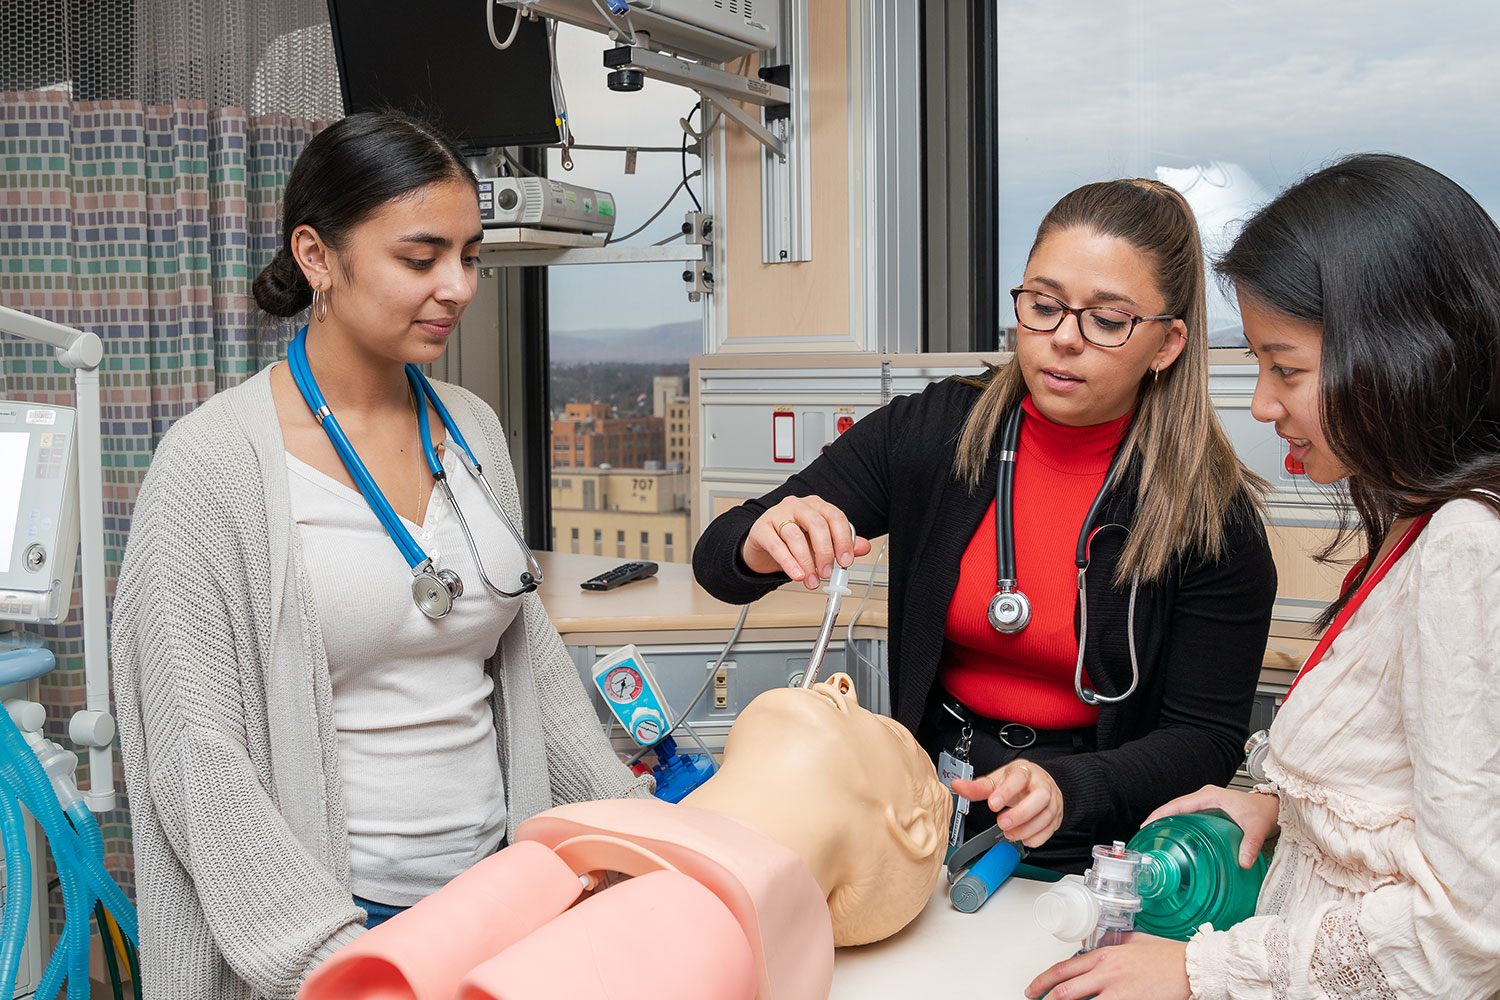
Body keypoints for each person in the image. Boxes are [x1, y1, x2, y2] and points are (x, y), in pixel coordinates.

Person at [110, 112, 649, 1000]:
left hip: (501, 895)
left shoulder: (469, 427)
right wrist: (334, 963)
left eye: (470, 257)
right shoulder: (211, 468)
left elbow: (531, 664)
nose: (458, 286)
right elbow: (196, 760)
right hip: (339, 927)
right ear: (318, 256)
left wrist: (637, 838)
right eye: (420, 256)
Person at [693, 179, 1277, 872]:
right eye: (1043, 305)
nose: (1063, 339)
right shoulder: (933, 432)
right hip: (926, 803)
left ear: (1167, 343)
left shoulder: (1213, 518)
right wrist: (763, 541)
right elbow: (718, 560)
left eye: (1108, 320)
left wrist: (1069, 788)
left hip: (1104, 837)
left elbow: (1204, 739)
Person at [1026, 154, 1500, 1000]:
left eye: (1287, 368)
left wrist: (1200, 971)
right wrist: (1291, 817)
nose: (1261, 404)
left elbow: (1471, 928)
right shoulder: (1419, 526)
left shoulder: (1469, 548)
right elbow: (1423, 801)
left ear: (1402, 358)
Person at [298, 672, 952, 1000]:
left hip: (705, 900)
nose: (842, 683)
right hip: (606, 850)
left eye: (874, 720)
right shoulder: (557, 861)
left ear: (915, 828)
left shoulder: (698, 919)